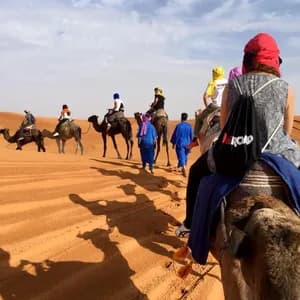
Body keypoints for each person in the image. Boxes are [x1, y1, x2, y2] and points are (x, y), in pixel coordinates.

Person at [175, 32, 300, 238]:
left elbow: (225, 126)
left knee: (197, 172)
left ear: (247, 59)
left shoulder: (233, 85)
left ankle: (190, 224)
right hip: (277, 155)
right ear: (275, 60)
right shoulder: (287, 88)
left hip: (236, 152)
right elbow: (285, 132)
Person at [188, 66, 227, 149]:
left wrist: (207, 108)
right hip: (226, 106)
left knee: (199, 118)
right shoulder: (227, 81)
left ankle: (195, 140)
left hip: (215, 106)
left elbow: (205, 96)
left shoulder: (213, 82)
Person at [170, 113, 193, 177]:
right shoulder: (189, 126)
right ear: (186, 118)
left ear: (181, 118)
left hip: (180, 143)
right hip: (188, 143)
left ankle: (183, 167)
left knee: (181, 156)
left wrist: (173, 143)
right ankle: (184, 165)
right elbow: (192, 136)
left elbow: (175, 135)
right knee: (185, 155)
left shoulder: (178, 126)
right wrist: (191, 144)